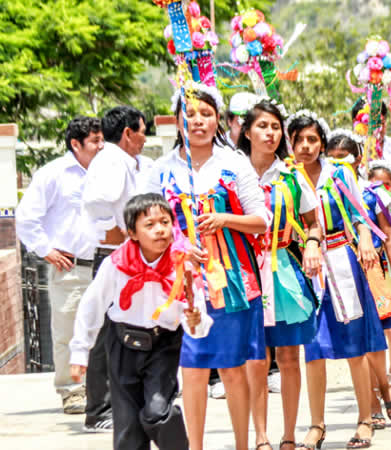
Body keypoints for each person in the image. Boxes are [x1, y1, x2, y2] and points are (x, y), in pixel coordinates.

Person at [140, 84, 269, 450]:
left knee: (231, 367)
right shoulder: (160, 170)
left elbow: (262, 220)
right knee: (192, 369)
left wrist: (225, 219)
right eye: (190, 114)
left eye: (206, 114)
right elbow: (142, 222)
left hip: (230, 281)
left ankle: (243, 444)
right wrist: (177, 245)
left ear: (219, 121)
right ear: (178, 121)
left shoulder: (234, 163)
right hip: (179, 284)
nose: (198, 121)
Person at [69, 193, 212, 450]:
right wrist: (80, 351)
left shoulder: (182, 264)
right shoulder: (116, 264)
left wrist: (196, 320)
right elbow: (92, 305)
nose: (160, 230)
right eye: (150, 225)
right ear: (132, 233)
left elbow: (195, 311)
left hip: (163, 345)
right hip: (122, 344)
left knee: (157, 412)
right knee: (128, 431)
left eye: (165, 222)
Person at [289, 111, 388, 449]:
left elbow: (360, 214)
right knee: (312, 348)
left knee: (353, 344)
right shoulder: (287, 178)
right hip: (303, 265)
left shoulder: (339, 174)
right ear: (290, 143)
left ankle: (365, 419)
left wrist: (363, 238)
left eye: (312, 139)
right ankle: (316, 425)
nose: (306, 146)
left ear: (321, 142)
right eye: (299, 139)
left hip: (341, 258)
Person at [237, 97, 322, 450]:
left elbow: (312, 221)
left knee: (288, 356)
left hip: (283, 270)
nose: (269, 133)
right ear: (246, 132)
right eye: (262, 126)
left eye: (275, 127)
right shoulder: (231, 173)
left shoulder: (291, 176)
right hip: (243, 272)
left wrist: (314, 243)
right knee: (256, 358)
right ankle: (260, 436)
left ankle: (288, 436)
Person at [15, 116, 104, 415]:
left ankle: (104, 389)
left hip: (105, 264)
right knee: (68, 330)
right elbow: (27, 218)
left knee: (106, 330)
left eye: (102, 139)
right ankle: (71, 390)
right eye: (95, 141)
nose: (101, 146)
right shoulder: (53, 174)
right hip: (71, 267)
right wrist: (46, 251)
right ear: (76, 144)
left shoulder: (108, 172)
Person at [323, 133, 391, 429]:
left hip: (374, 273)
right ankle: (371, 403)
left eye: (344, 156)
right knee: (356, 339)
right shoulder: (323, 192)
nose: (337, 161)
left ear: (358, 159)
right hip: (341, 272)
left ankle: (384, 387)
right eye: (331, 155)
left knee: (376, 337)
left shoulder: (372, 193)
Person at [81, 105, 151, 432]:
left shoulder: (123, 161)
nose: (144, 137)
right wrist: (117, 231)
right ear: (127, 134)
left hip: (126, 255)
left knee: (123, 329)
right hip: (115, 257)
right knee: (106, 333)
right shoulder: (111, 161)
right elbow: (96, 203)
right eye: (142, 130)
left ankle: (120, 402)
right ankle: (99, 409)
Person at [352, 97, 391, 174]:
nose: (375, 130)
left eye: (380, 123)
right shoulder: (348, 150)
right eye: (368, 124)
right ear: (355, 123)